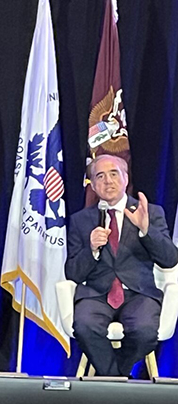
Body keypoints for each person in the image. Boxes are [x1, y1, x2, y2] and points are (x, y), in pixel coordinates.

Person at [66, 154, 178, 376]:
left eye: (114, 173)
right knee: (84, 326)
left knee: (145, 331)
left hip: (139, 294)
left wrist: (146, 231)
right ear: (94, 185)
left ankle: (113, 376)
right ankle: (118, 381)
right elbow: (72, 273)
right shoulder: (81, 220)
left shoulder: (150, 213)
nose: (108, 180)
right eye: (100, 176)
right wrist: (92, 250)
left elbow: (170, 259)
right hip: (97, 294)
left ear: (126, 179)